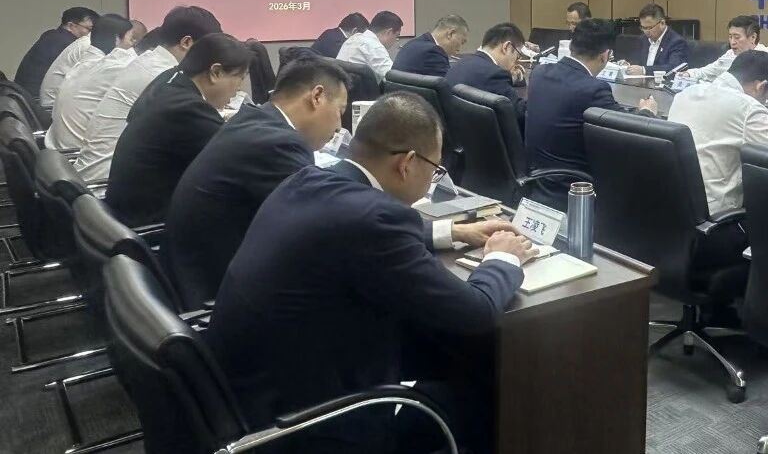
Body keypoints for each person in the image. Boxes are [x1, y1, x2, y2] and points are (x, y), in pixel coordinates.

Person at [207, 93, 534, 454]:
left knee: (450, 355)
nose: (432, 179)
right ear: (407, 163)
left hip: (250, 395)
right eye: (435, 170)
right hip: (307, 422)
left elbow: (351, 231)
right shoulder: (375, 220)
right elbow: (478, 311)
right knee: (487, 390)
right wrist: (502, 257)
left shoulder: (305, 180)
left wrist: (452, 232)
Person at [163, 57, 350, 309]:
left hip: (189, 272)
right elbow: (323, 224)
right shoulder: (279, 143)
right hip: (212, 294)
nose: (339, 127)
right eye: (340, 111)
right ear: (317, 96)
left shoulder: (253, 118)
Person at [105, 34, 252, 227]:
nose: (239, 89)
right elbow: (236, 161)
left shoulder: (168, 81)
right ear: (215, 72)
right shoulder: (189, 109)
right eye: (240, 78)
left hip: (123, 212)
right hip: (150, 224)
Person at [75, 6, 221, 181]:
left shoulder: (148, 61)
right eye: (208, 50)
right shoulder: (163, 75)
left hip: (103, 172)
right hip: (107, 179)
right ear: (186, 42)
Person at [668, 50, 768, 214]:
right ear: (760, 86)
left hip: (673, 203)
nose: (767, 102)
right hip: (715, 214)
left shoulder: (685, 94)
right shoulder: (748, 107)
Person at [526, 18, 658, 175]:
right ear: (605, 56)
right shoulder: (593, 89)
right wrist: (647, 112)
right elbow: (629, 132)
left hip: (533, 176)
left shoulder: (539, 73)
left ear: (571, 46)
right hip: (575, 182)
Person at [43, 14, 136, 151]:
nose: (132, 44)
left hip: (61, 147)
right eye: (131, 39)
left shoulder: (86, 63)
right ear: (116, 39)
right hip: (76, 152)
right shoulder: (108, 67)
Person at [40, 19, 147, 109]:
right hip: (53, 105)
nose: (131, 46)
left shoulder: (92, 44)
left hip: (59, 103)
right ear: (118, 37)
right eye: (130, 39)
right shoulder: (90, 48)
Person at [445, 22, 528, 122]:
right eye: (518, 56)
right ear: (506, 47)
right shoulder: (495, 75)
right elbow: (521, 114)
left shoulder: (459, 64)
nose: (516, 62)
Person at [13, 6, 99, 98]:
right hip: (37, 100)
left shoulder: (51, 35)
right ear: (70, 26)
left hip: (21, 97)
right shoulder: (70, 44)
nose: (93, 34)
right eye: (90, 29)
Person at [684, 15, 768, 83]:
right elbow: (706, 72)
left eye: (737, 37)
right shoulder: (730, 54)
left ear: (753, 37)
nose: (732, 42)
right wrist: (687, 74)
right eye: (730, 37)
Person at [393, 14, 469, 77]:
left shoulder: (412, 44)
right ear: (450, 34)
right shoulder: (433, 52)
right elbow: (449, 86)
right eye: (462, 42)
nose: (459, 49)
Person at [336, 10, 403, 80]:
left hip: (341, 85)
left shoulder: (352, 39)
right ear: (389, 32)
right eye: (397, 36)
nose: (396, 40)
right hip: (358, 86)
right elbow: (393, 78)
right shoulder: (375, 47)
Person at [625, 3, 688, 76]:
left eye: (649, 28)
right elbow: (637, 61)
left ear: (662, 23)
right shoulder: (643, 39)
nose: (646, 32)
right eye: (643, 28)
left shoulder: (676, 42)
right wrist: (628, 65)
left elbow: (674, 68)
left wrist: (644, 70)